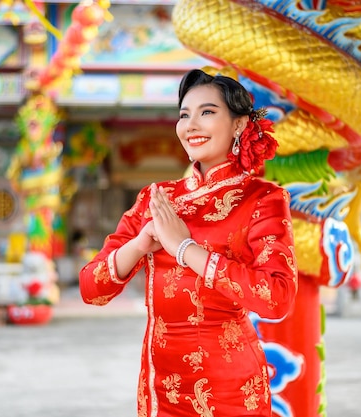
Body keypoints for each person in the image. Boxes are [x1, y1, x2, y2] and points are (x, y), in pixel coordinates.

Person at [79, 68, 298, 417]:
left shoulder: (263, 199)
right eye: (184, 115)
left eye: (207, 112)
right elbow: (92, 288)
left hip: (230, 389)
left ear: (239, 125)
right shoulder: (157, 197)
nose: (191, 125)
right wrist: (139, 245)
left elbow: (276, 298)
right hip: (160, 387)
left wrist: (184, 249)